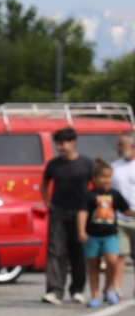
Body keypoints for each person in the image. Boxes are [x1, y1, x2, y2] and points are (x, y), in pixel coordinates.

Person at [40, 127, 93, 304]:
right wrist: (47, 203)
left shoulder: (86, 163)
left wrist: (91, 208)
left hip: (80, 212)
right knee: (56, 251)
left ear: (73, 142)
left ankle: (77, 289)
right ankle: (54, 291)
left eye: (63, 143)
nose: (60, 147)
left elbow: (96, 186)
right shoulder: (53, 164)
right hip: (58, 211)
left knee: (78, 251)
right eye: (58, 143)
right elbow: (44, 185)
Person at [78, 160, 130, 308]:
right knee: (93, 265)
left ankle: (109, 289)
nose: (106, 180)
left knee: (112, 261)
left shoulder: (114, 194)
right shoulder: (89, 196)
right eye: (103, 177)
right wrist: (81, 231)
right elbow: (82, 213)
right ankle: (95, 294)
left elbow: (125, 210)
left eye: (109, 177)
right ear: (94, 178)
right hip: (93, 236)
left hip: (110, 235)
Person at [108, 132, 135, 291]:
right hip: (119, 218)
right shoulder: (114, 167)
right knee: (120, 255)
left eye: (122, 145)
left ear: (133, 146)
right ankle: (116, 287)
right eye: (118, 145)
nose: (118, 148)